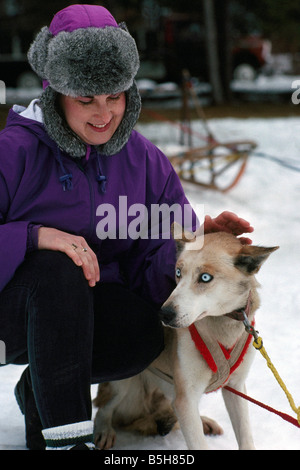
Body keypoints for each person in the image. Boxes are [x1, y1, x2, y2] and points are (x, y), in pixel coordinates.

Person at [0, 5, 253, 450]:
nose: (103, 114)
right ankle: (67, 441)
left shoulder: (143, 159)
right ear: (57, 94)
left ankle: (42, 395)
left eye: (114, 96)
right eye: (86, 99)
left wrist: (195, 249)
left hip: (78, 319)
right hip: (15, 314)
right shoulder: (14, 151)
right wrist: (34, 237)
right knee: (60, 269)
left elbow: (156, 254)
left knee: (141, 331)